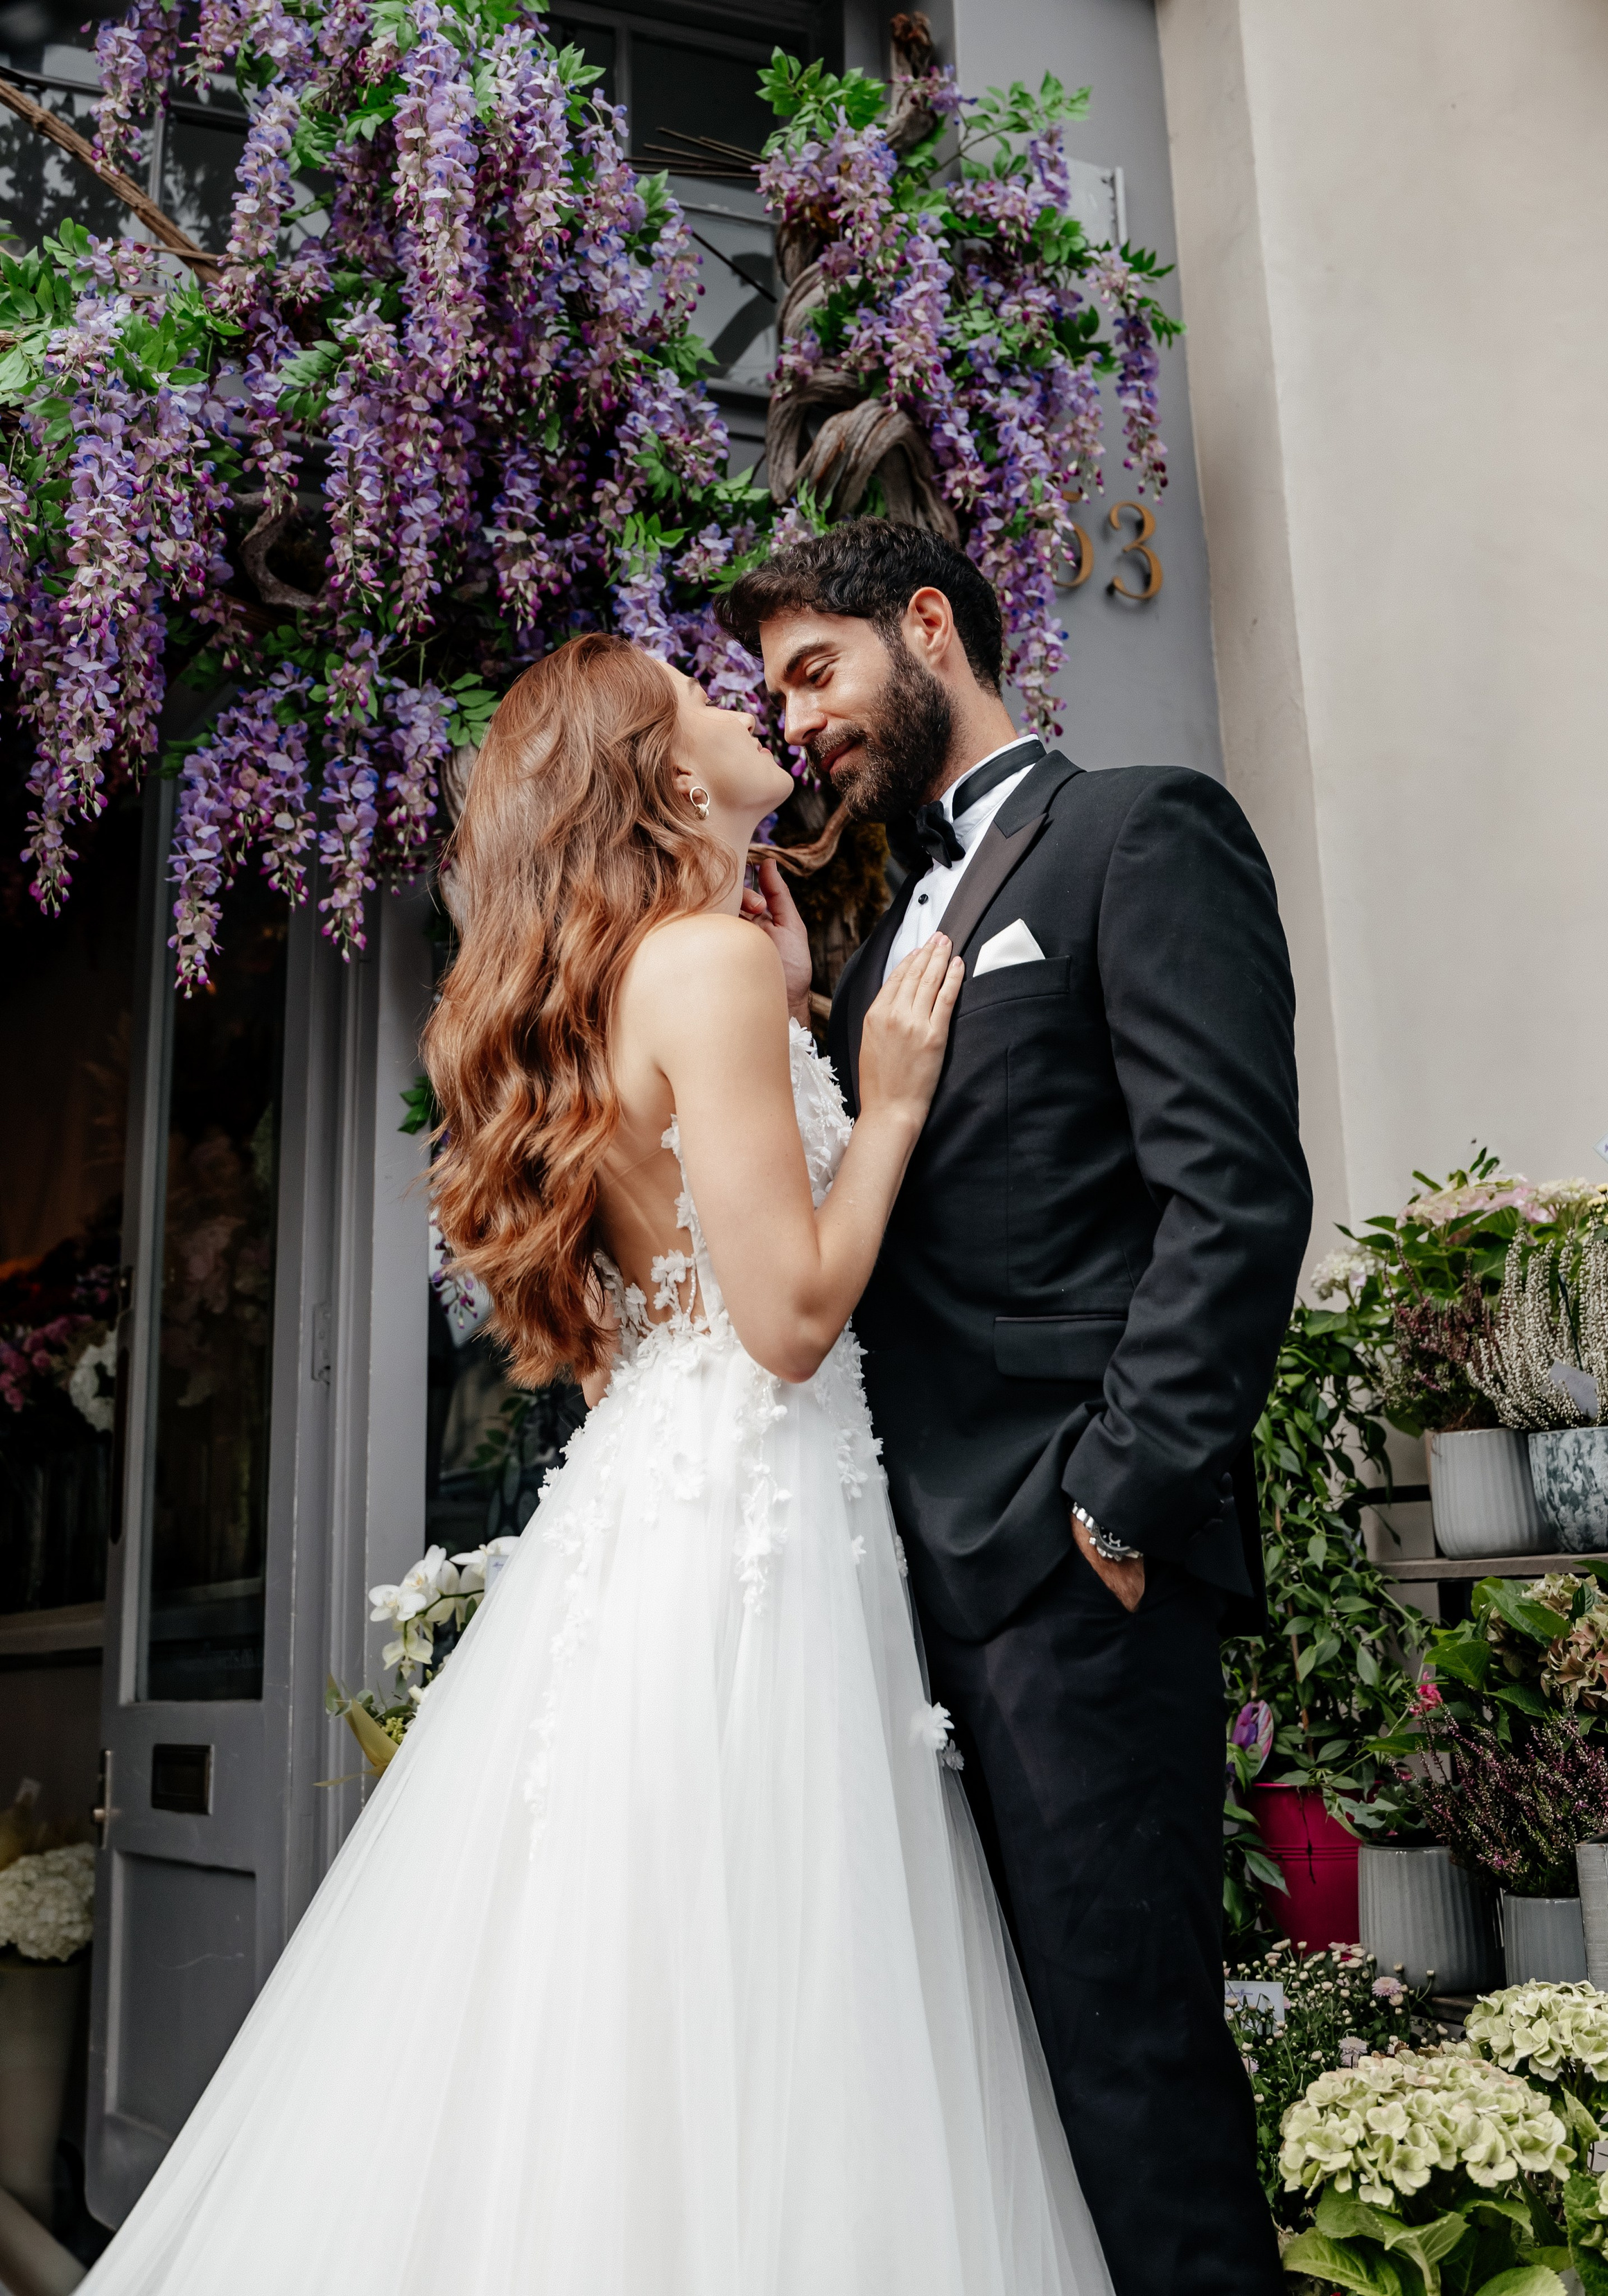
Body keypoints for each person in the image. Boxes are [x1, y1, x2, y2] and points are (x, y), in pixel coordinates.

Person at [78, 635, 1115, 2296]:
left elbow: (686, 1279)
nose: (738, 701)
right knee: (772, 1962)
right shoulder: (702, 964)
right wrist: (889, 1101)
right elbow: (787, 1319)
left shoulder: (663, 972)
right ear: (662, 769)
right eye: (699, 697)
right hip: (754, 1513)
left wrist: (792, 1009)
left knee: (645, 1970)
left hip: (669, 1495)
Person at [720, 519, 1313, 2296]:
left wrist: (1119, 1494)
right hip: (908, 1583)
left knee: (1131, 2063)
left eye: (812, 671)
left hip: (1071, 1568)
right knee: (992, 2094)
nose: (793, 722)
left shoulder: (1140, 832)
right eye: (771, 696)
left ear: (927, 624)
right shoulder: (881, 931)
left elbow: (1232, 1198)